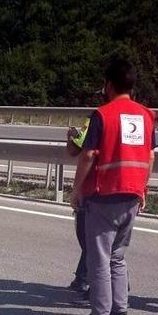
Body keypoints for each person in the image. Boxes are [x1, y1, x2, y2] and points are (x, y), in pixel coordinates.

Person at [69, 59, 156, 315]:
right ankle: (120, 308)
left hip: (104, 193)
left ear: (108, 85)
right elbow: (151, 156)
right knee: (118, 256)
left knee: (100, 257)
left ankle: (100, 313)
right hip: (132, 194)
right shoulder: (146, 115)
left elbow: (88, 155)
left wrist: (76, 189)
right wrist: (143, 188)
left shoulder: (102, 114)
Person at [66, 120, 90, 295]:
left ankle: (86, 282)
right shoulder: (141, 117)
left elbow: (78, 151)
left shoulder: (98, 119)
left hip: (92, 188)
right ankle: (82, 278)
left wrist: (76, 190)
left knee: (90, 240)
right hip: (126, 186)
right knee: (111, 244)